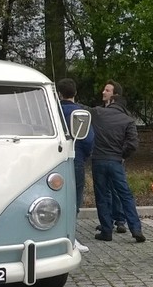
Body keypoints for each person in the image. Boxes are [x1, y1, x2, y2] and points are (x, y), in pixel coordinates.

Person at [90, 88, 145, 243]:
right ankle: (136, 229)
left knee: (102, 195)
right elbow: (133, 144)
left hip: (98, 160)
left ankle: (106, 231)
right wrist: (122, 155)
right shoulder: (128, 120)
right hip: (116, 161)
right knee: (125, 195)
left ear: (112, 101)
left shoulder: (98, 113)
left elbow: (81, 111)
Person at [56, 78, 95, 253]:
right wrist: (83, 155)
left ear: (58, 94)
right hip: (76, 158)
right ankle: (71, 236)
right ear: (75, 93)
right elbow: (87, 140)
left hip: (55, 160)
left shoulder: (52, 112)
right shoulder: (81, 113)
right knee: (74, 198)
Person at [94, 80, 128, 235]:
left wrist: (122, 154)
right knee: (105, 190)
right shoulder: (101, 112)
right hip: (102, 155)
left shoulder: (122, 114)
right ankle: (106, 221)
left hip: (116, 157)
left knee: (116, 189)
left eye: (107, 90)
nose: (103, 92)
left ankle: (120, 220)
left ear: (115, 95)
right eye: (104, 89)